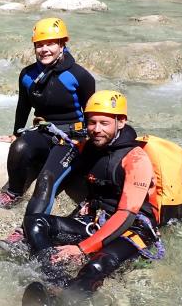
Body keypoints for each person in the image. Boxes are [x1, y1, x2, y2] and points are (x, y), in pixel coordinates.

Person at [21, 90, 162, 303]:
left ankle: (66, 300)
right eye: (91, 122)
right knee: (35, 222)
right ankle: (57, 283)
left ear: (121, 122)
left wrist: (81, 249)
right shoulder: (90, 147)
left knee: (95, 265)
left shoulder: (136, 159)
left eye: (104, 123)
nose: (96, 129)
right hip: (97, 220)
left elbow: (126, 214)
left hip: (133, 229)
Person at [0, 17, 95, 211]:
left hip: (71, 137)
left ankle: (31, 229)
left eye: (50, 44)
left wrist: (90, 142)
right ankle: (14, 192)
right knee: (19, 147)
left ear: (62, 44)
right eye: (39, 44)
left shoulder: (79, 76)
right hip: (44, 131)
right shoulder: (27, 74)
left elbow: (91, 112)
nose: (44, 49)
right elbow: (23, 106)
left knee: (46, 178)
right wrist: (17, 133)